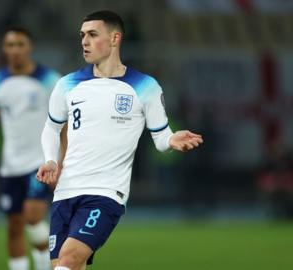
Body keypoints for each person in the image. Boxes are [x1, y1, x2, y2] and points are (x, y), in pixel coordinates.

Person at [37, 10, 204, 270]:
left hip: (105, 193)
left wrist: (171, 139)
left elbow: (160, 138)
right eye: (82, 35)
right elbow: (51, 127)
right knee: (66, 265)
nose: (85, 42)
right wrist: (50, 160)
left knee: (68, 261)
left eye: (93, 35)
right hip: (65, 191)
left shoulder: (145, 86)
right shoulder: (67, 84)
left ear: (115, 38)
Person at [0, 26, 61, 270]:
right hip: (10, 164)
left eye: (20, 44)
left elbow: (63, 124)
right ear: (4, 49)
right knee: (14, 226)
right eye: (10, 45)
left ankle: (46, 265)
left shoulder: (50, 80)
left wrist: (60, 160)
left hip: (40, 162)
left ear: (30, 47)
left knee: (33, 217)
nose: (15, 50)